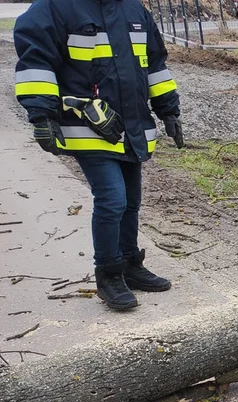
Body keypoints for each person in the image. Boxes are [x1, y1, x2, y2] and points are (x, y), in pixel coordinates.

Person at [14, 0, 185, 311]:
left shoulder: (134, 10)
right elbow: (36, 60)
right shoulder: (56, 7)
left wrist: (168, 110)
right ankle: (108, 274)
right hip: (87, 125)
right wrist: (42, 115)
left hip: (131, 125)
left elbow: (155, 66)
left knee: (131, 201)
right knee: (113, 200)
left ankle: (130, 263)